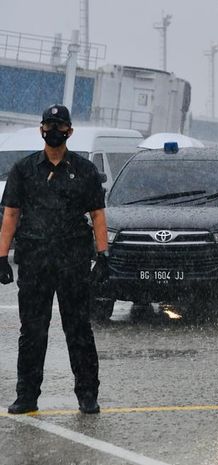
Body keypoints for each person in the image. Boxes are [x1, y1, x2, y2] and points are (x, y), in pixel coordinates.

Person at [1, 104, 110, 414]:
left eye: (60, 125)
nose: (54, 130)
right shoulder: (23, 170)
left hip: (73, 262)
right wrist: (0, 257)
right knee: (32, 331)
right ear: (41, 129)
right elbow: (10, 214)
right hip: (35, 261)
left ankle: (87, 395)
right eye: (49, 124)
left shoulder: (85, 171)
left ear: (69, 131)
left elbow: (98, 215)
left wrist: (103, 256)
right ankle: (27, 395)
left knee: (78, 330)